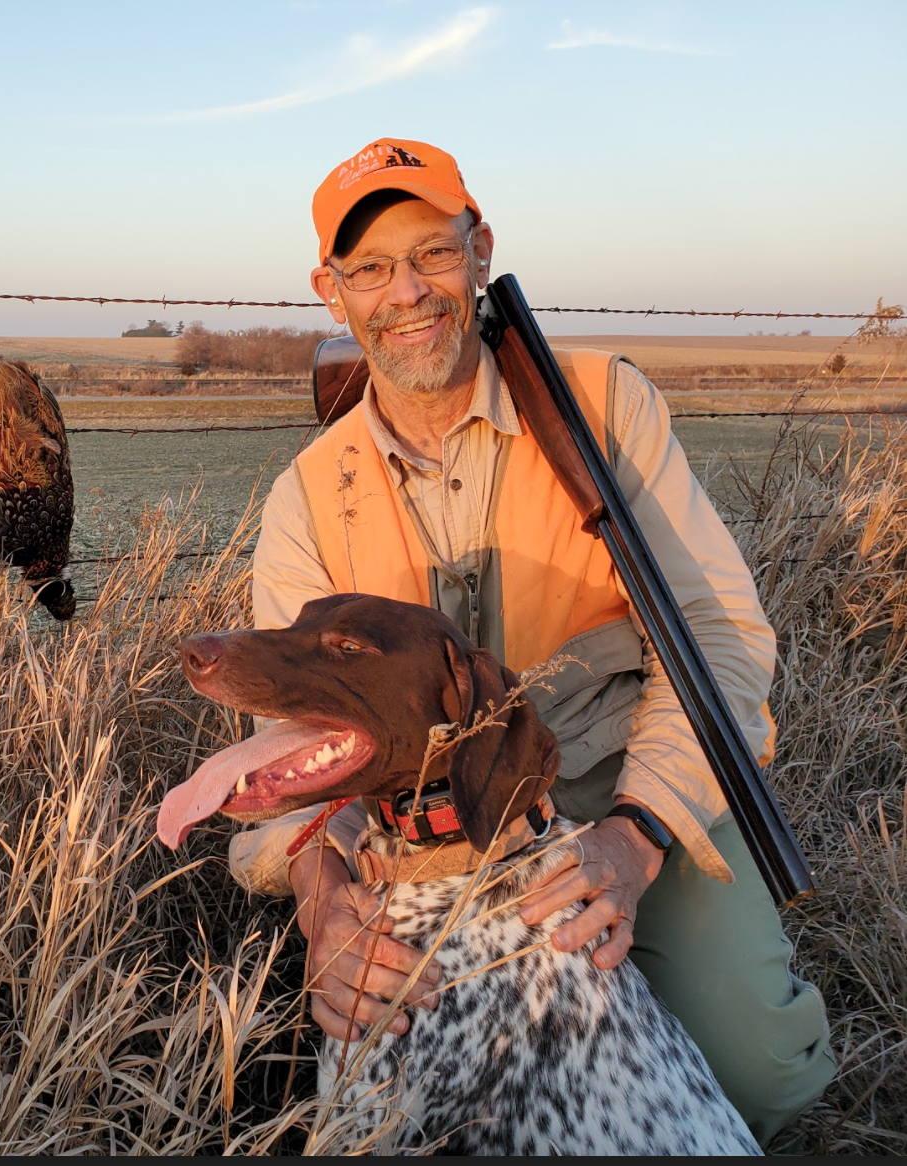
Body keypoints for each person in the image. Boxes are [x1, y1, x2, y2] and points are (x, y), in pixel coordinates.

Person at [230, 137, 834, 1145]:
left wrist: (637, 839)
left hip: (609, 781)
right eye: (370, 268)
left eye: (433, 252)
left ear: (481, 249)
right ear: (329, 292)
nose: (407, 291)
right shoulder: (309, 492)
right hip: (412, 837)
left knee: (762, 1075)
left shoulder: (601, 407)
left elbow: (721, 638)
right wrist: (321, 897)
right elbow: (292, 738)